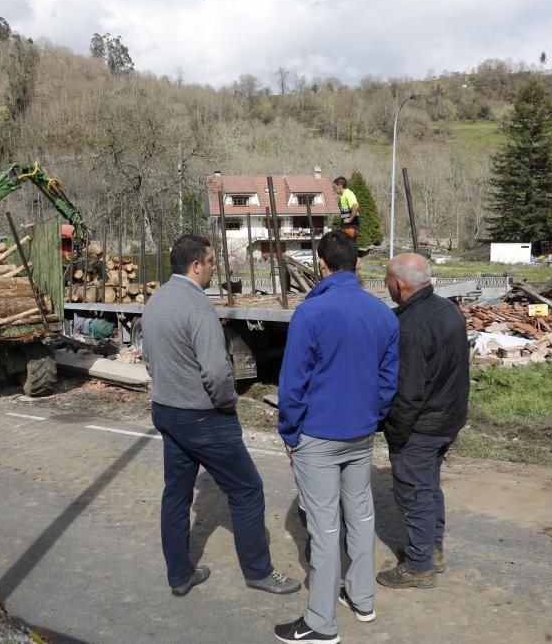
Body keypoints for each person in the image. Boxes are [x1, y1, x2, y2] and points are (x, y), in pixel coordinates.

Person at [142, 234, 301, 598]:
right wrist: (227, 402)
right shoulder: (198, 306)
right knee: (246, 489)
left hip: (167, 412)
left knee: (176, 495)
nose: (214, 267)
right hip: (204, 416)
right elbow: (216, 372)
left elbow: (148, 358)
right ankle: (259, 571)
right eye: (212, 262)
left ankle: (179, 575)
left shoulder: (156, 300)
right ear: (195, 265)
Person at [274, 231, 399, 644]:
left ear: (320, 264)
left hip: (319, 435)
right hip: (360, 432)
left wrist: (289, 432)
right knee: (361, 516)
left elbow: (293, 383)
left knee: (324, 528)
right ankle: (362, 599)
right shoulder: (382, 313)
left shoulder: (311, 313)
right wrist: (373, 417)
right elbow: (387, 380)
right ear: (357, 264)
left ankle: (321, 623)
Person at [377, 253, 470, 590]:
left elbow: (409, 392)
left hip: (422, 425)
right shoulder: (448, 311)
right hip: (448, 419)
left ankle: (418, 567)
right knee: (429, 487)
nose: (387, 286)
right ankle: (432, 550)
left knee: (414, 493)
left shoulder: (410, 326)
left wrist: (395, 433)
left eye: (387, 280)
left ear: (399, 285)